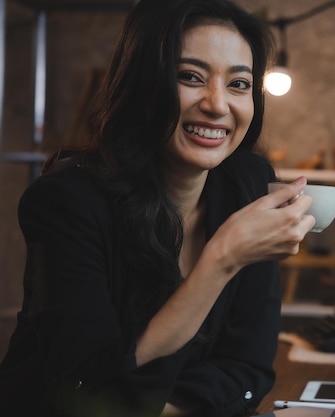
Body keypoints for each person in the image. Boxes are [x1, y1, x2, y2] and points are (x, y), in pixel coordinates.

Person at [0, 0, 316, 416]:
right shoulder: (66, 202)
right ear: (142, 85)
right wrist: (221, 259)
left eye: (239, 84)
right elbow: (86, 393)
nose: (218, 105)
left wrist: (146, 406)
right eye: (190, 77)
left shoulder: (248, 186)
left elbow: (249, 370)